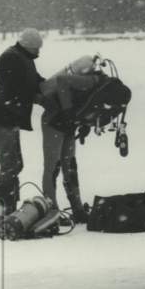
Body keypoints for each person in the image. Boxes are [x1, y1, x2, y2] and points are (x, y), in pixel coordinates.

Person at [0, 28, 45, 215]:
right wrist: (26, 102)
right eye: (37, 48)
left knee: (15, 163)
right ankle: (5, 207)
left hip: (8, 120)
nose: (39, 52)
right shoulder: (11, 58)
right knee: (10, 163)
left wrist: (51, 87)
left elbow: (34, 81)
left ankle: (10, 204)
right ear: (28, 46)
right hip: (1, 120)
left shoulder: (23, 58)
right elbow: (6, 93)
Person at [39, 67, 100, 223]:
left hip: (67, 123)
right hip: (54, 121)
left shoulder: (99, 93)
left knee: (70, 166)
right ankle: (52, 212)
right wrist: (68, 111)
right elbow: (62, 80)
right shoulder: (91, 81)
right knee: (53, 167)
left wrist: (85, 123)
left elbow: (86, 107)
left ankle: (77, 209)